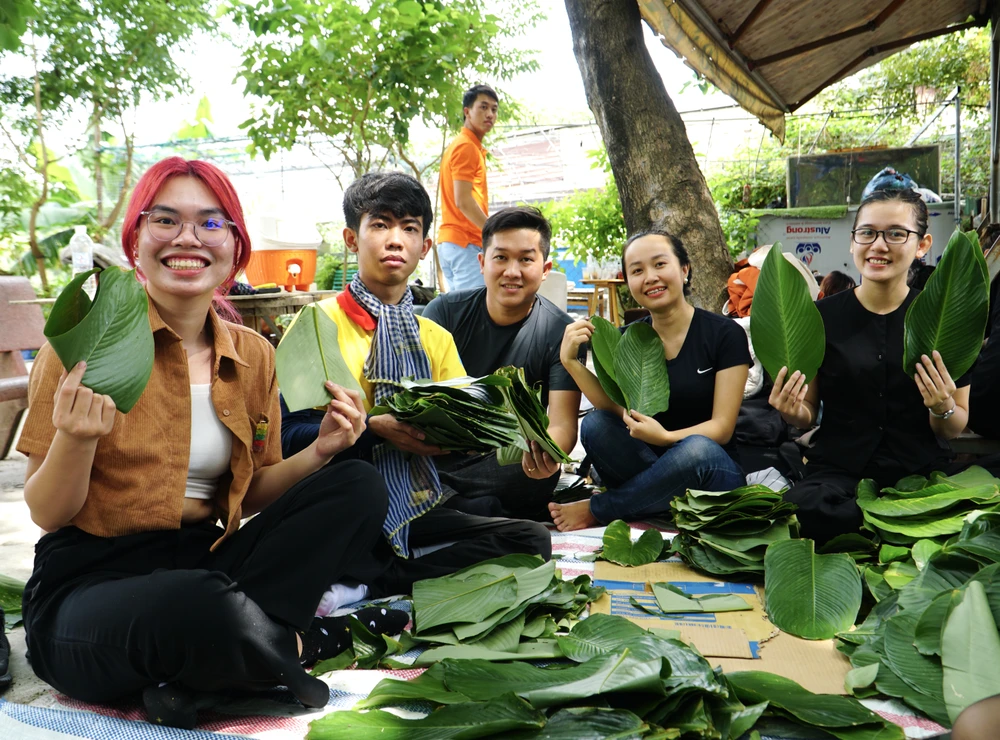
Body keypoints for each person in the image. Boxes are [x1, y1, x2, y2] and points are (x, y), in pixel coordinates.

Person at [16, 158, 395, 729]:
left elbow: (253, 496)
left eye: (211, 224)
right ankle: (301, 644)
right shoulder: (82, 348)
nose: (187, 238)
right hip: (90, 586)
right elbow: (47, 512)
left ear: (235, 247)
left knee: (358, 482)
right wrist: (74, 438)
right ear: (136, 240)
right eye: (165, 220)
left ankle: (205, 670)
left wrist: (320, 452)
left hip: (213, 563)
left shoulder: (252, 356)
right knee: (196, 606)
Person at [280, 172, 550, 599]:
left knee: (531, 540)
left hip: (413, 500)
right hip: (341, 504)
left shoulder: (435, 338)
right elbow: (287, 438)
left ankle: (373, 579)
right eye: (380, 224)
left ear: (425, 247)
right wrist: (371, 427)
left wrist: (504, 443)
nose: (395, 240)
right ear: (352, 239)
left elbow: (466, 435)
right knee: (354, 497)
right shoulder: (317, 325)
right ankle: (372, 568)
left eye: (409, 228)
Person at [769, 188, 969, 544]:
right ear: (853, 241)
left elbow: (953, 427)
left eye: (895, 233)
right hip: (838, 471)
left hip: (917, 473)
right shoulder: (820, 318)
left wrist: (942, 407)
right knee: (805, 510)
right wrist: (791, 410)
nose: (879, 245)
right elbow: (807, 413)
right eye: (868, 233)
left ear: (921, 245)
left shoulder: (942, 320)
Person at [549, 230, 750, 531]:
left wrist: (666, 437)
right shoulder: (626, 340)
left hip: (710, 470)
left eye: (659, 264)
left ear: (684, 270)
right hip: (644, 461)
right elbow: (614, 406)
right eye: (637, 270)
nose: (650, 277)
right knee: (595, 425)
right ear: (629, 283)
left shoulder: (724, 335)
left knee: (696, 449)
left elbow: (722, 429)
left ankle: (603, 508)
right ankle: (657, 498)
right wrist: (570, 362)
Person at [423, 206, 583, 520]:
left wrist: (545, 453)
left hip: (504, 460)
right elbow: (420, 403)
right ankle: (466, 507)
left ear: (545, 268)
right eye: (501, 258)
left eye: (525, 259)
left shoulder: (562, 333)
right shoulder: (443, 313)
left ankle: (444, 502)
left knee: (537, 472)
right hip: (439, 453)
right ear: (482, 263)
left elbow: (563, 425)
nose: (512, 271)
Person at [436, 84, 498, 291]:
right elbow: (463, 201)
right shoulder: (466, 147)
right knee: (473, 314)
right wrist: (493, 233)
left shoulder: (464, 145)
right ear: (467, 111)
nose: (489, 114)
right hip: (465, 245)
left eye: (494, 109)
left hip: (454, 244)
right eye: (483, 107)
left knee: (460, 315)